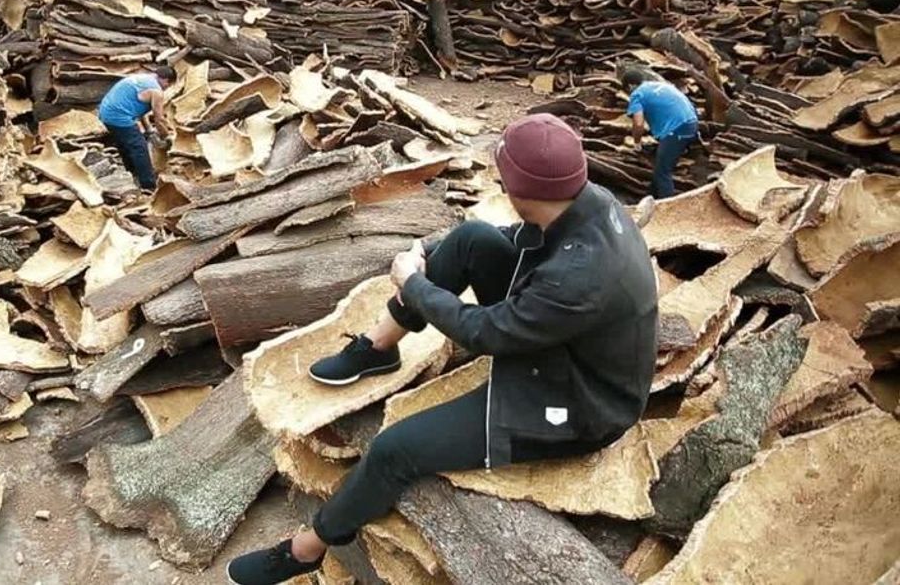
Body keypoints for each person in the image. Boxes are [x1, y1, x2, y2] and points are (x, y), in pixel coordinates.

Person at [227, 114, 658, 585]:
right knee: (472, 238)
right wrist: (434, 251)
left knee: (395, 449)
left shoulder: (578, 277)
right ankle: (378, 347)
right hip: (561, 341)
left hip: (582, 403)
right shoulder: (586, 201)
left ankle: (304, 550)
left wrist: (413, 284)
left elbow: (485, 332)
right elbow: (523, 239)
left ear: (518, 189)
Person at [619, 65, 700, 199]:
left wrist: (637, 143)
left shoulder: (637, 94)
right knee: (660, 164)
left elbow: (638, 123)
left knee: (663, 172)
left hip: (677, 130)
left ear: (630, 86)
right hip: (692, 122)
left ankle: (667, 208)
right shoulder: (659, 85)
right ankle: (650, 197)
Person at [97, 66, 176, 191]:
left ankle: (132, 174)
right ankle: (148, 186)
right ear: (166, 81)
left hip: (105, 112)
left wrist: (149, 130)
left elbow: (139, 110)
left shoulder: (143, 78)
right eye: (168, 85)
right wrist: (167, 137)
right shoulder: (156, 91)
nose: (166, 88)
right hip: (118, 116)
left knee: (125, 144)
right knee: (139, 147)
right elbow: (159, 119)